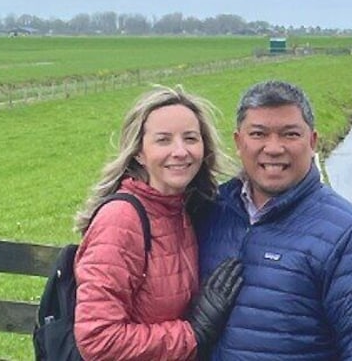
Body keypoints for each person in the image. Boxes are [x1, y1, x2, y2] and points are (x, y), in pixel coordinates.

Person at [198, 80, 352, 360]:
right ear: (238, 142)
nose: (273, 148)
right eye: (258, 134)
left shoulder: (351, 237)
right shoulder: (208, 212)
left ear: (313, 142)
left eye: (289, 134)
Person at [73, 85, 243, 361]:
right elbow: (98, 338)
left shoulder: (183, 211)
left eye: (190, 138)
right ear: (139, 152)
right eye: (163, 140)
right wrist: (193, 333)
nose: (180, 151)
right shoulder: (121, 220)